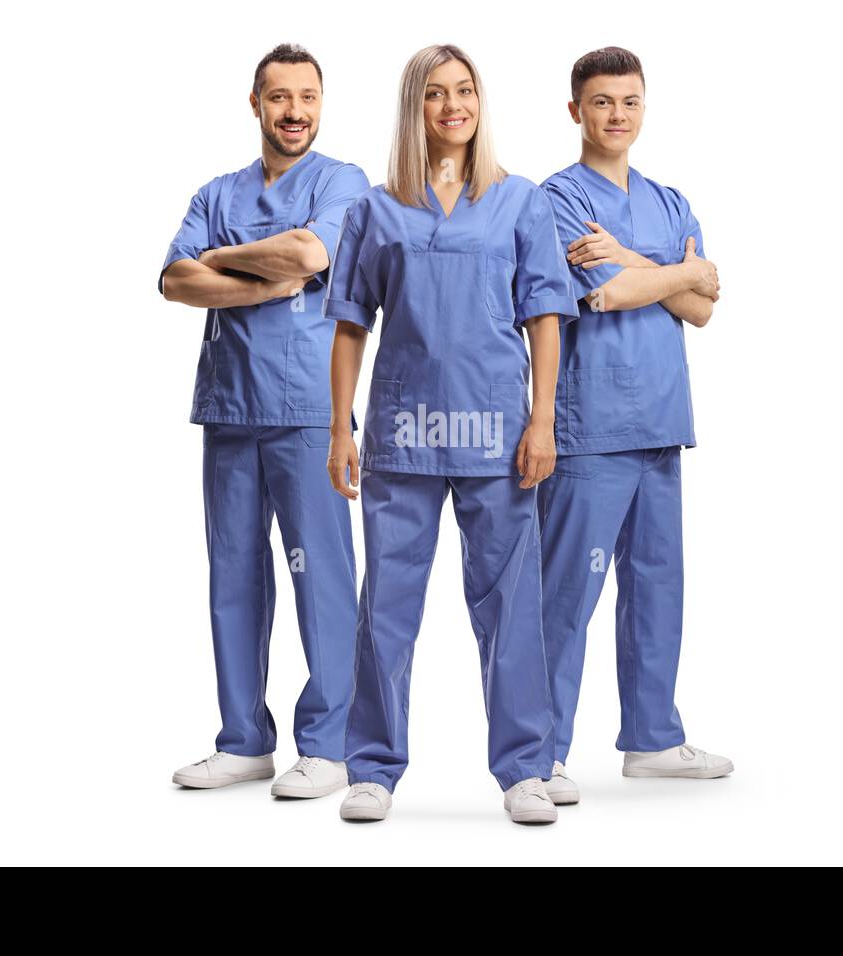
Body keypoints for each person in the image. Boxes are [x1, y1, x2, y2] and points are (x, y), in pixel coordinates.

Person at [323, 44, 579, 824]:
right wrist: (342, 427)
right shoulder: (376, 207)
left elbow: (544, 315)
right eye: (435, 93)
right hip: (405, 431)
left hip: (497, 433)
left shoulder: (519, 201)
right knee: (387, 607)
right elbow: (348, 325)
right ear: (415, 107)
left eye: (464, 91)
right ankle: (371, 767)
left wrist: (542, 420)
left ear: (480, 102)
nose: (452, 106)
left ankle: (524, 768)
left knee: (510, 607)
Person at [158, 44, 369, 799]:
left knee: (321, 576)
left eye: (307, 97)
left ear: (321, 103)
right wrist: (259, 283)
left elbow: (311, 252)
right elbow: (176, 279)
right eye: (280, 98)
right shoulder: (218, 189)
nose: (294, 112)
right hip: (229, 408)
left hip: (310, 408)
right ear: (256, 104)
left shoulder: (342, 183)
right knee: (235, 576)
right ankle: (243, 741)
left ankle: (332, 743)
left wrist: (227, 261)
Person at [537, 47, 734, 806]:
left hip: (660, 420)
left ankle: (652, 738)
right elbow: (608, 294)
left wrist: (643, 267)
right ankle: (542, 750)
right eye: (601, 102)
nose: (616, 115)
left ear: (643, 107)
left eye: (629, 102)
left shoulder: (669, 200)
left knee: (657, 587)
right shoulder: (554, 199)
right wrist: (671, 271)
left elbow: (704, 308)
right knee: (567, 595)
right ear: (575, 111)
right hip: (592, 427)